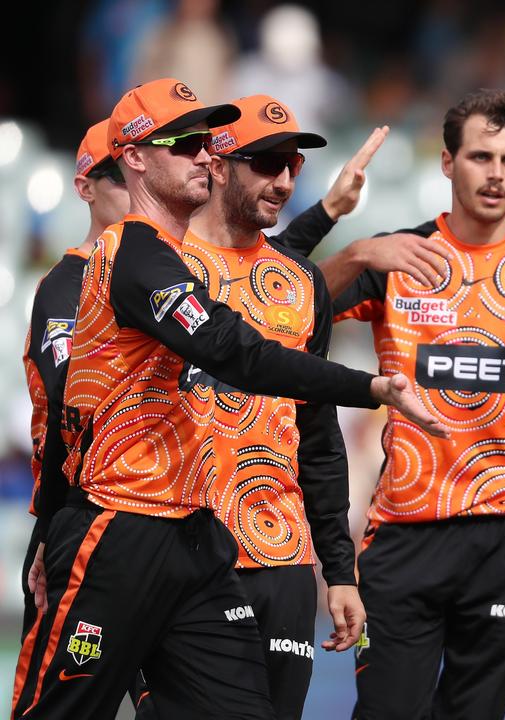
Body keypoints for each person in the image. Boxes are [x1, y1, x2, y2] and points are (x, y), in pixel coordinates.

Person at [9, 77, 443, 719]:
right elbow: (231, 345)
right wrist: (371, 386)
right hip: (119, 523)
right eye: (183, 145)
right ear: (132, 159)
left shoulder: (195, 262)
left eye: (205, 144)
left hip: (207, 537)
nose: (201, 156)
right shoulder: (126, 255)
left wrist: (329, 221)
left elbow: (264, 289)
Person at [325, 88, 505, 719]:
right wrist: (355, 252)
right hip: (407, 533)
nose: (495, 175)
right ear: (446, 162)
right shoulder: (394, 256)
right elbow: (280, 311)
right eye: (480, 156)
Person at [126, 94, 363, 720]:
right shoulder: (157, 268)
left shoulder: (302, 283)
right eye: (266, 163)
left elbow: (318, 434)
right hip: (177, 549)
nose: (284, 181)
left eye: (293, 166)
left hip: (280, 555)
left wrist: (339, 569)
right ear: (220, 165)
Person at [12, 119, 129, 705]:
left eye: (145, 170)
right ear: (86, 186)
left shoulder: (183, 276)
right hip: (87, 520)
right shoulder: (66, 285)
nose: (137, 187)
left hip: (172, 528)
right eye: (118, 175)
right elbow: (72, 399)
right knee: (63, 701)